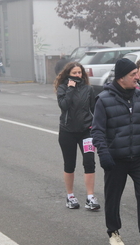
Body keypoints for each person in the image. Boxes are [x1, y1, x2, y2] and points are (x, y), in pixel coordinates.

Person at [91, 58, 140, 245]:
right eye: (133, 74)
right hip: (115, 159)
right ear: (121, 77)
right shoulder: (104, 99)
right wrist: (104, 155)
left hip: (139, 158)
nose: (137, 77)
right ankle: (113, 232)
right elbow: (97, 131)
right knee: (113, 197)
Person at [55, 61, 100, 211]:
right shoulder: (62, 88)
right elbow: (64, 106)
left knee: (89, 162)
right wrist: (70, 89)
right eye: (74, 73)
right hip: (67, 131)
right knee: (69, 164)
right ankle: (70, 196)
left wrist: (95, 125)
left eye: (79, 73)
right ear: (68, 74)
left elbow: (94, 109)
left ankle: (90, 197)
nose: (77, 75)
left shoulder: (88, 89)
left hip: (86, 131)